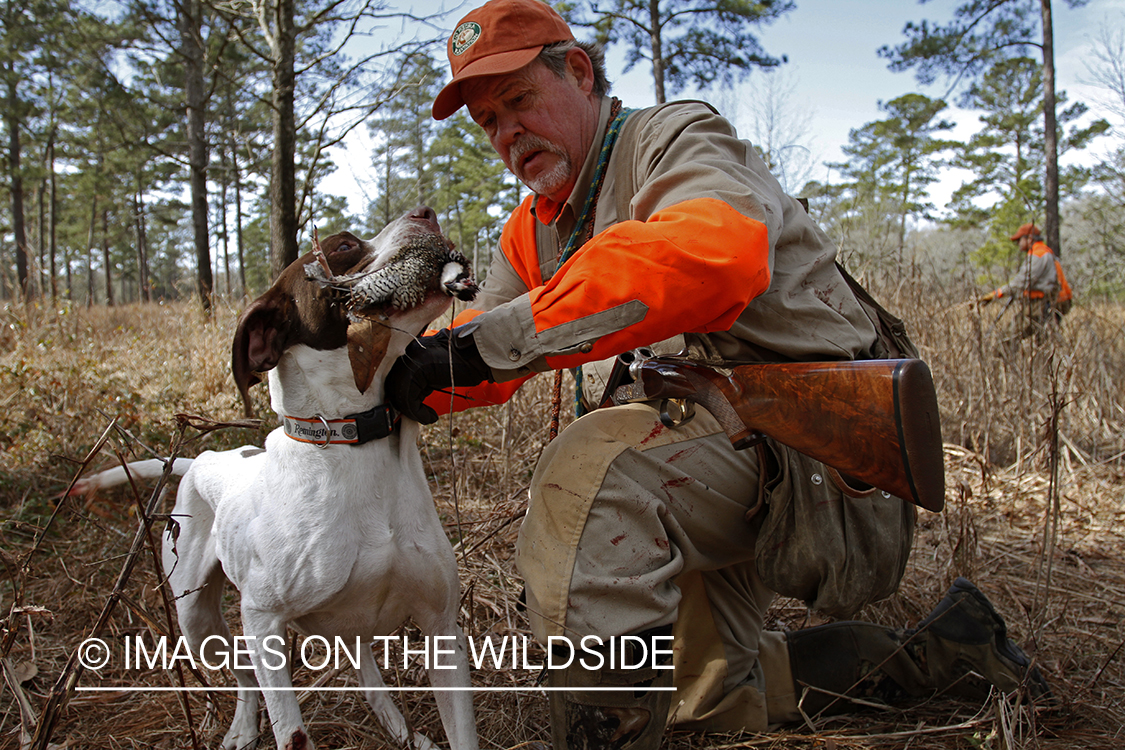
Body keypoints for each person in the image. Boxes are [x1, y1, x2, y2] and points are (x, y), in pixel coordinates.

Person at [385, 1, 1052, 747]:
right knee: (714, 700)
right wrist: (382, 372)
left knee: (590, 478)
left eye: (518, 101)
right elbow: (472, 347)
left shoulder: (673, 138)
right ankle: (949, 651)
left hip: (816, 459)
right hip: (709, 448)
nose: (507, 133)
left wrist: (490, 341)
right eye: (488, 123)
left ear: (576, 71)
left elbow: (710, 256)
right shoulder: (533, 227)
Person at [979, 223, 1073, 339]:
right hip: (1049, 302)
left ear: (1029, 238)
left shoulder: (1038, 254)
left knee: (1007, 339)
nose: (1017, 243)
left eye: (1019, 240)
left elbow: (1022, 282)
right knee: (1043, 341)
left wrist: (996, 294)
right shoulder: (1042, 252)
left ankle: (1001, 356)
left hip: (1045, 303)